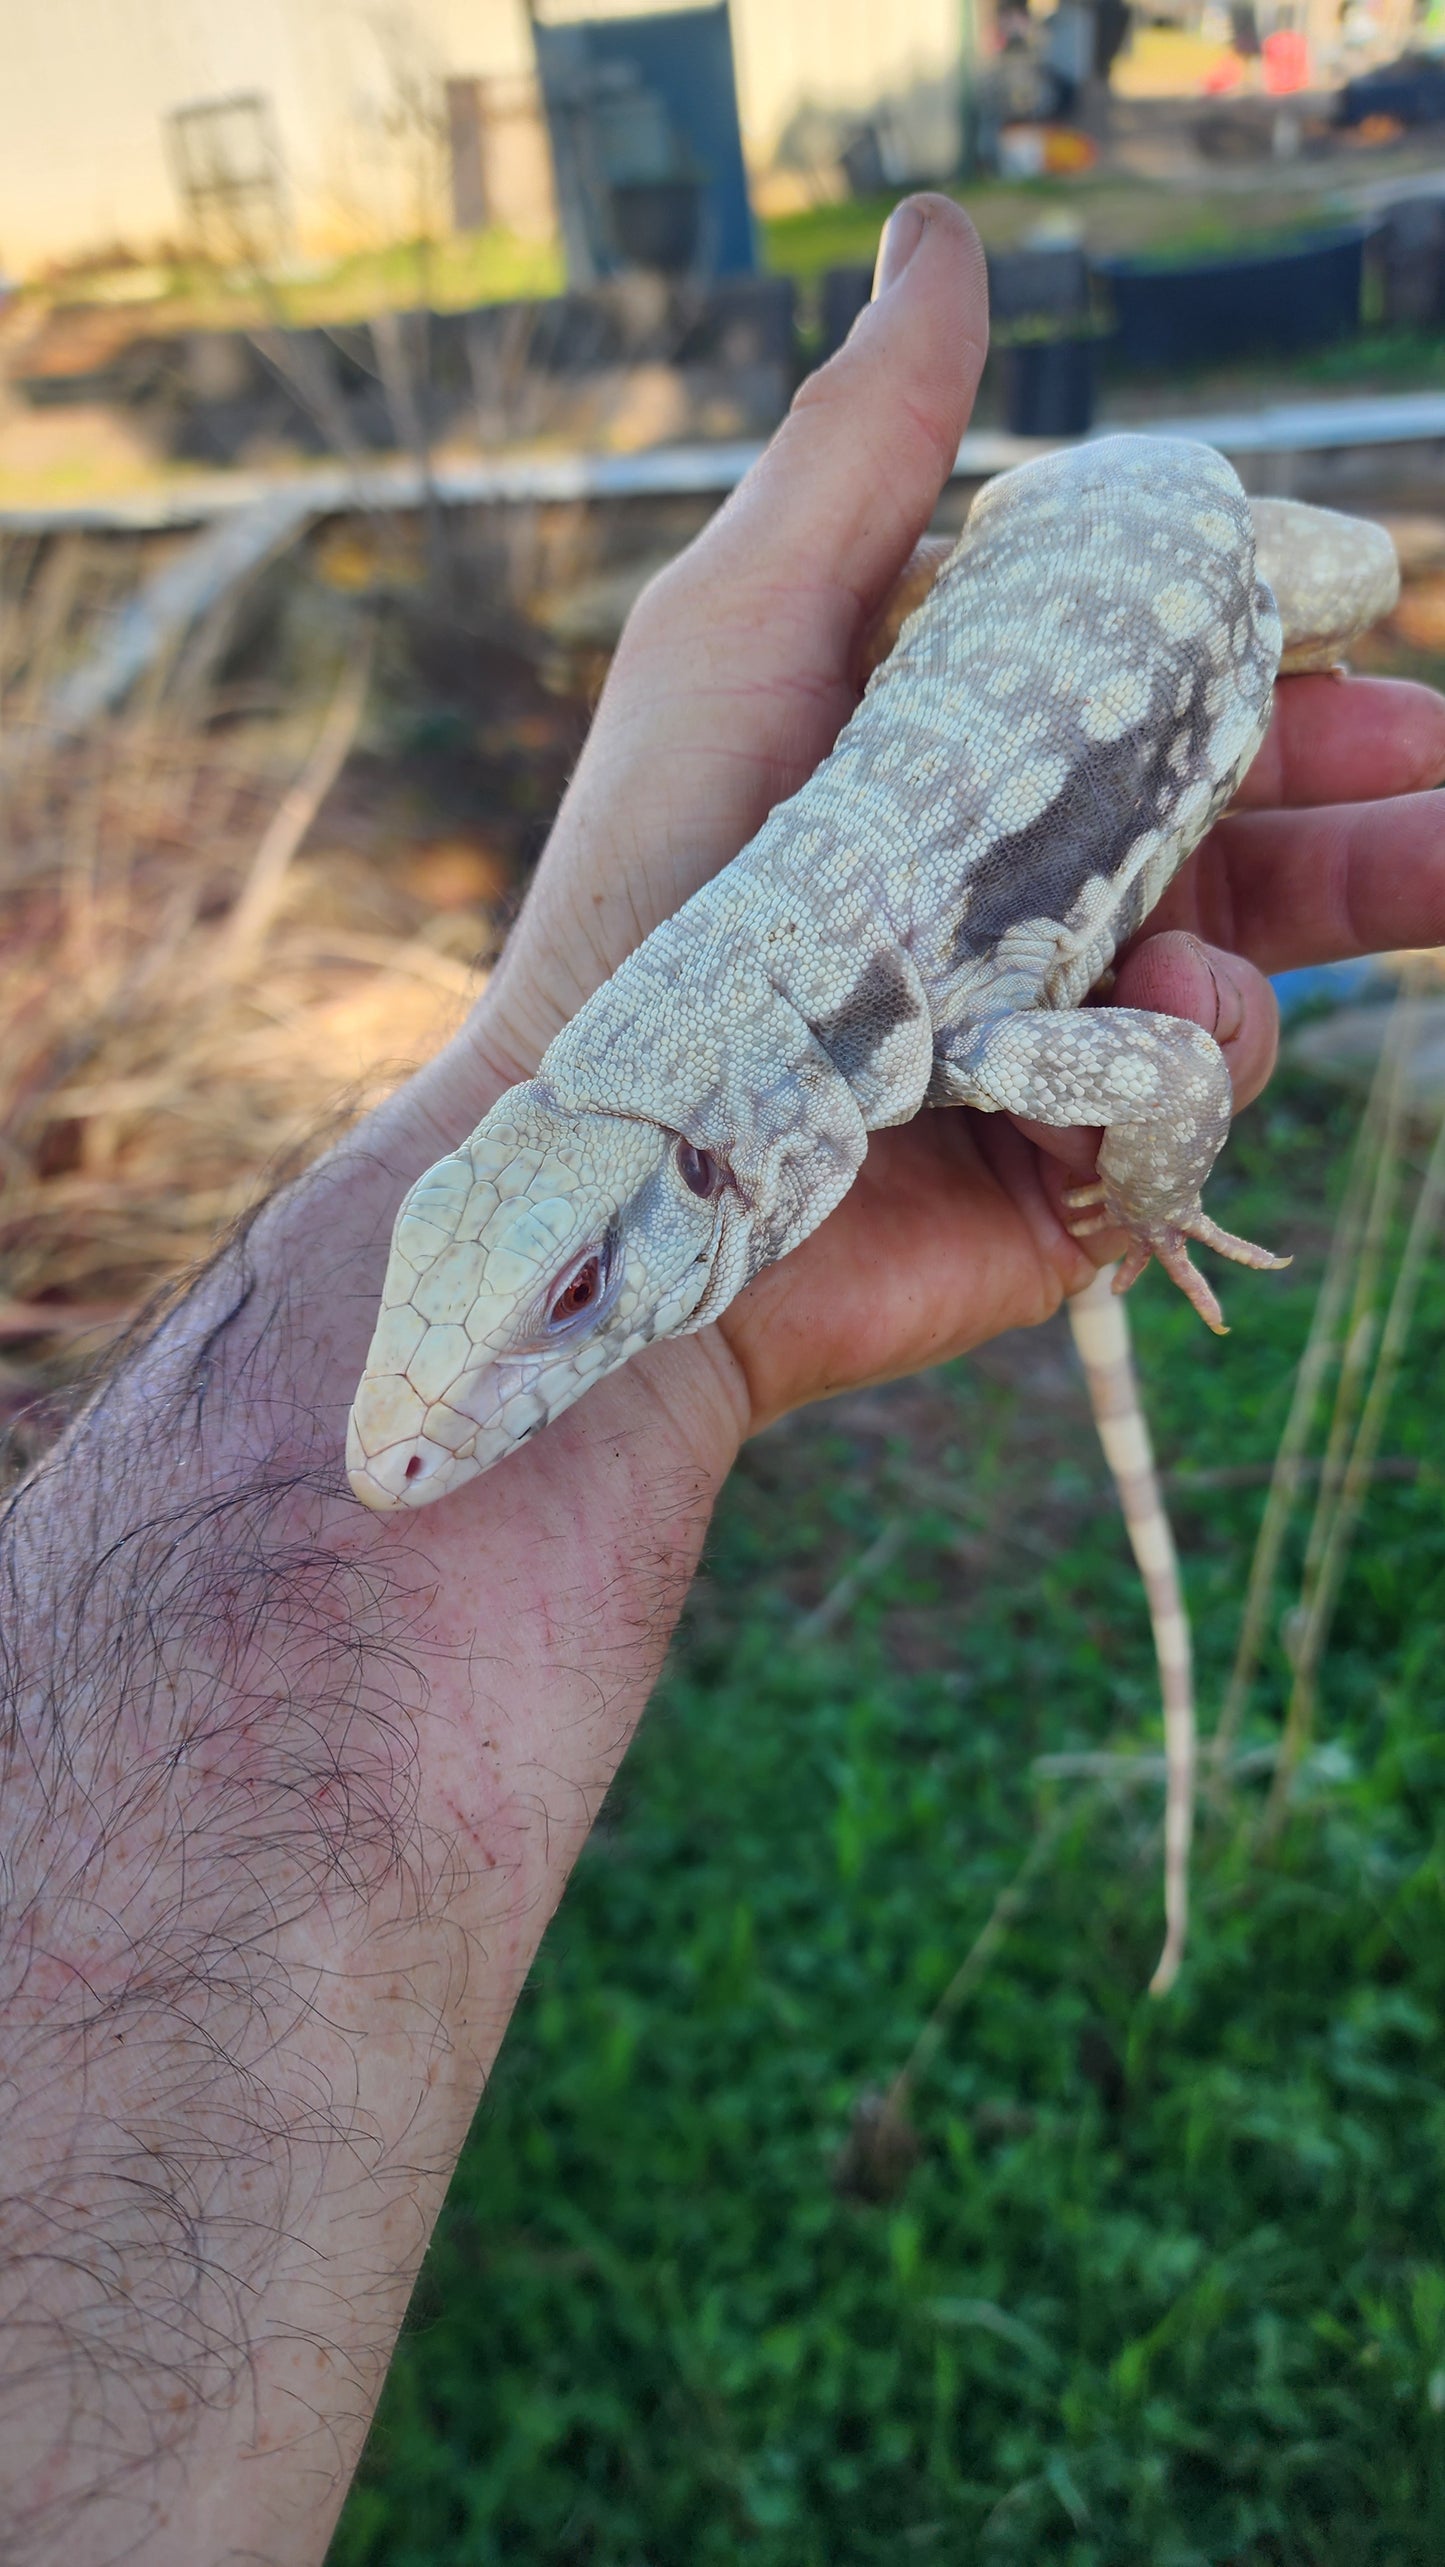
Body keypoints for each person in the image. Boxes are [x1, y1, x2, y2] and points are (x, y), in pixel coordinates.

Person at [3, 195, 1444, 2565]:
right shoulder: (715, 1011)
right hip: (1035, 578)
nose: (438, 1428)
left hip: (1173, 552)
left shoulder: (977, 1024)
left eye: (569, 1304)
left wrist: (1140, 1194)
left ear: (700, 1158)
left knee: (1357, 587)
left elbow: (1160, 1091)